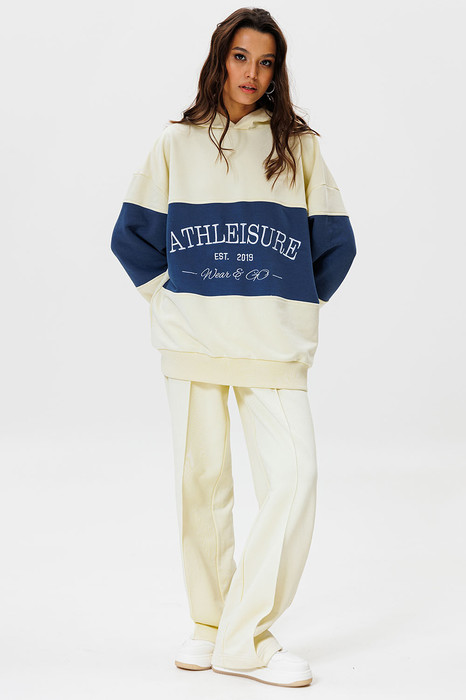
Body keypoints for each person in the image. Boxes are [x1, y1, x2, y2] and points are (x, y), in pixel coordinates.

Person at [110, 6, 356, 689]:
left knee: (295, 479)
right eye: (241, 57)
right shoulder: (176, 144)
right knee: (203, 486)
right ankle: (212, 625)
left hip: (272, 347)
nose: (252, 73)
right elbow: (131, 236)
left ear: (278, 73)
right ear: (220, 59)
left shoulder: (297, 148)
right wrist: (172, 299)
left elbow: (336, 242)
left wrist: (288, 302)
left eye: (266, 62)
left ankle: (245, 638)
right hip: (192, 344)